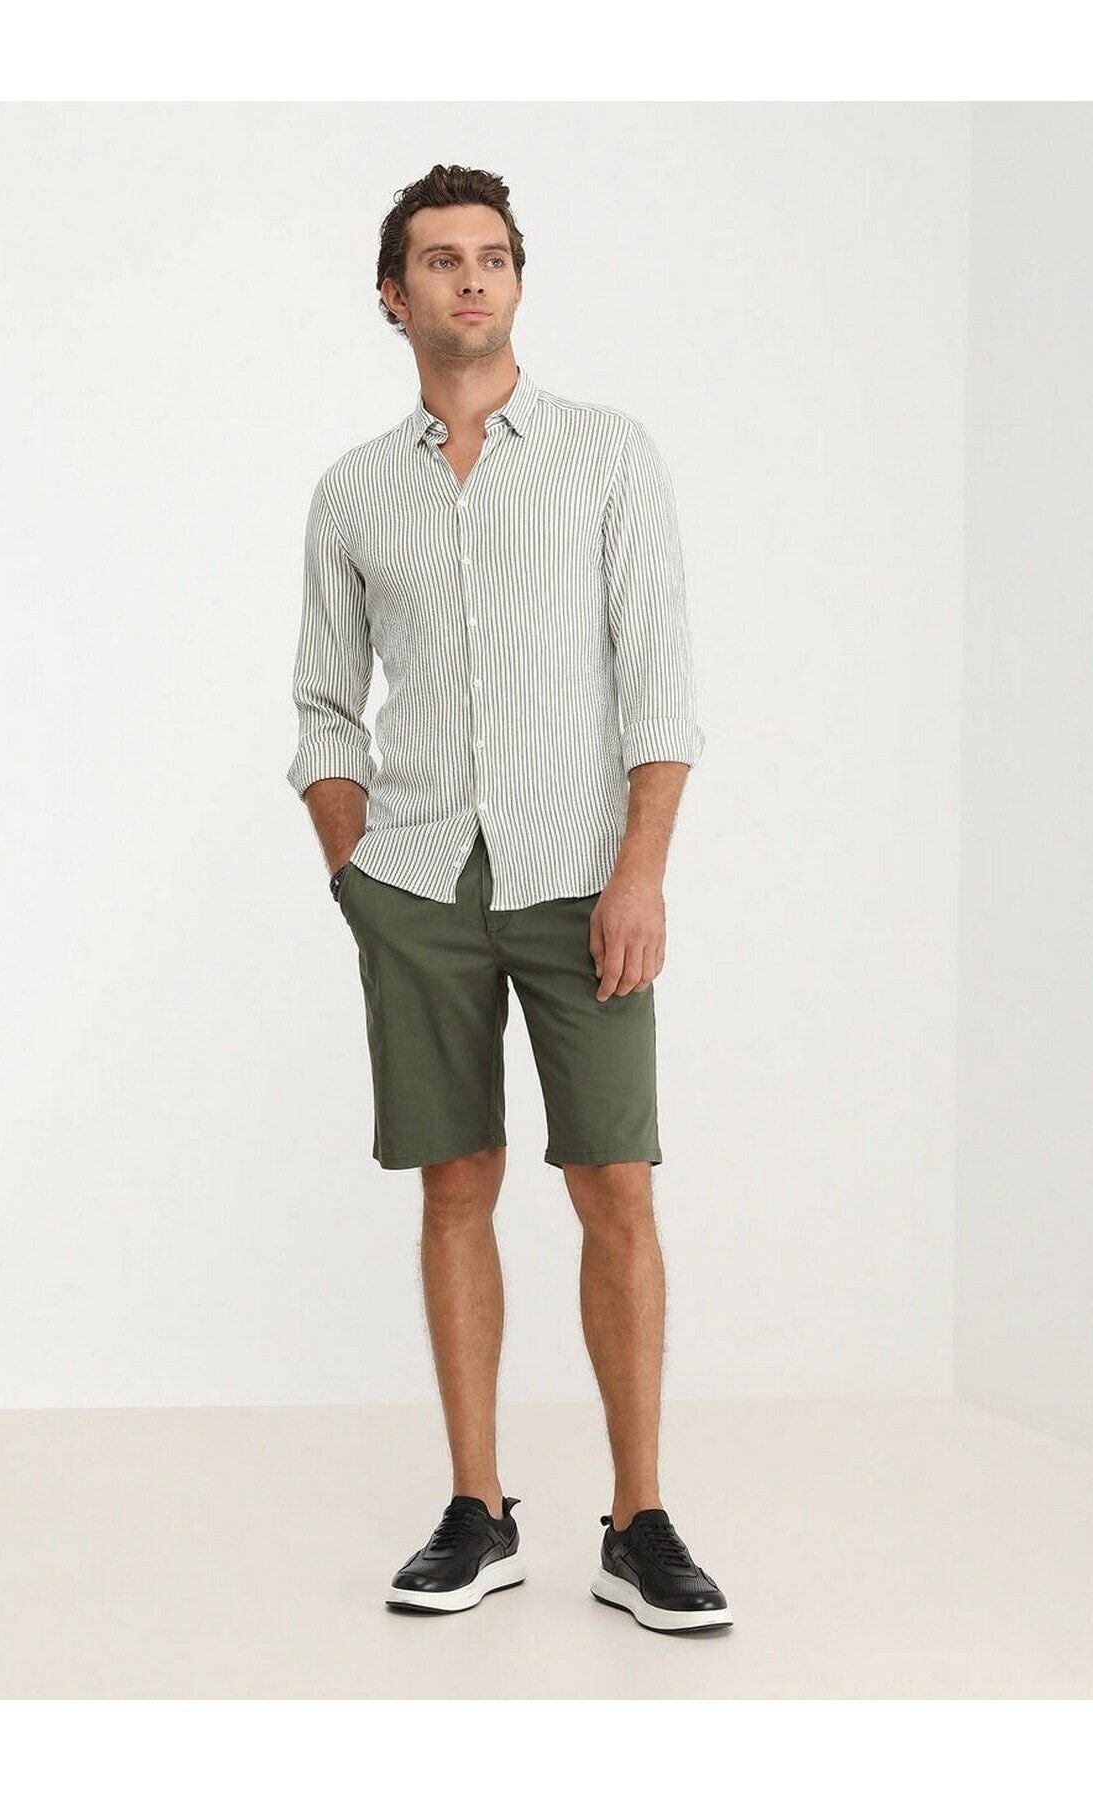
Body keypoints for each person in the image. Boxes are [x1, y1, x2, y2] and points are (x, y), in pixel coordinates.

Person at [286, 163, 731, 1634]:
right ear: (393, 295)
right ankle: (478, 1513)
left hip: (581, 875)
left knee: (617, 1183)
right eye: (440, 259)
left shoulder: (606, 455)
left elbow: (660, 682)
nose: (470, 278)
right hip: (418, 881)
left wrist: (642, 869)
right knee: (455, 1184)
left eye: (491, 257)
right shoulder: (355, 491)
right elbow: (324, 703)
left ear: (518, 282)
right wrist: (355, 868)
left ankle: (640, 1521)